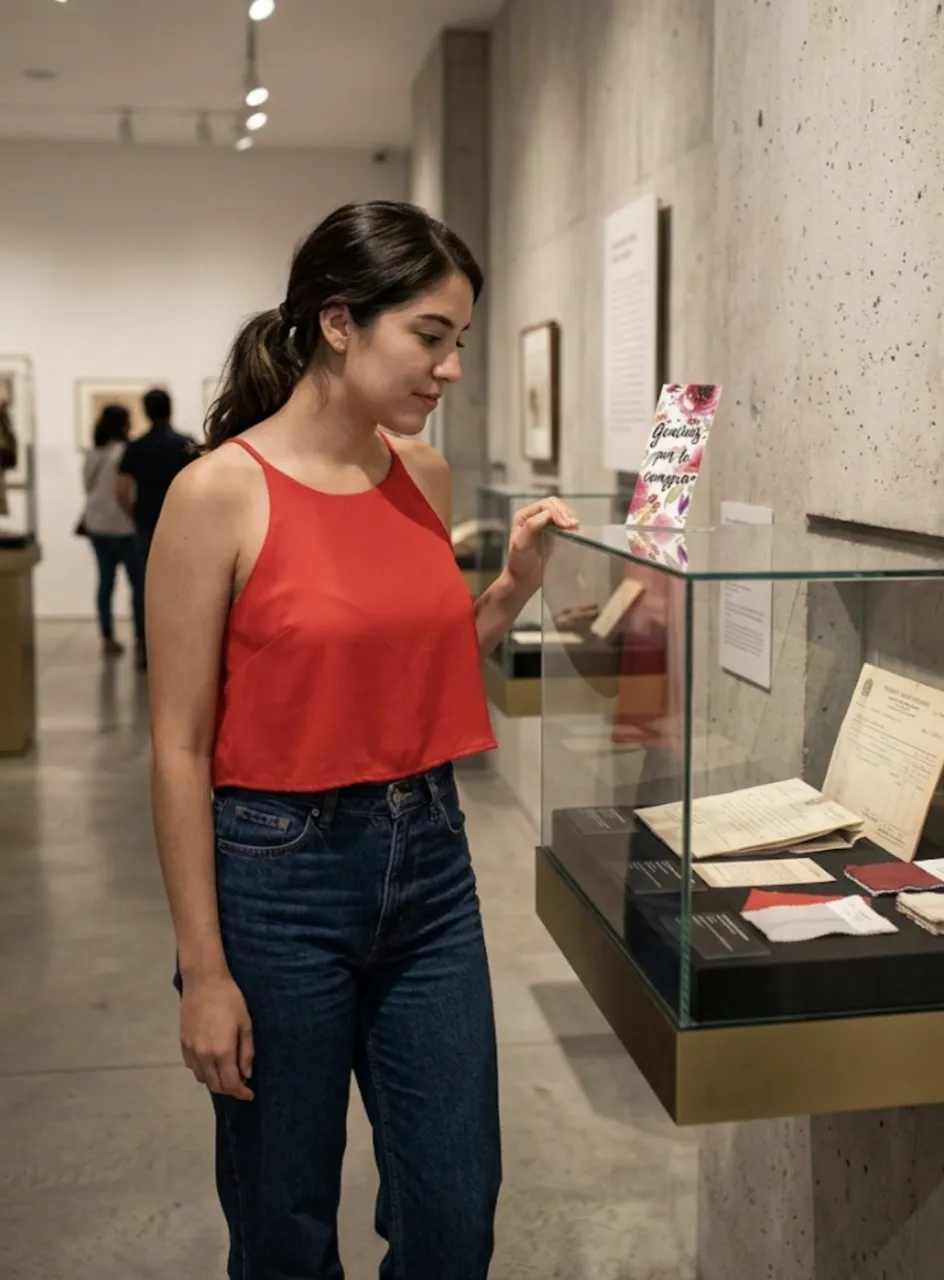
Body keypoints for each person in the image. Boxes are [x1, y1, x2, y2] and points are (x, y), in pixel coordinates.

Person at [145, 199, 578, 1280]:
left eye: (459, 342)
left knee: (452, 1213)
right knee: (283, 1219)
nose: (449, 368)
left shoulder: (417, 479)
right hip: (275, 878)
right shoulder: (218, 494)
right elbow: (178, 746)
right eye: (428, 336)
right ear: (338, 323)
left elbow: (413, 676)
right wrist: (204, 969)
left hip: (428, 859)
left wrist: (513, 590)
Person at [116, 389, 192, 667]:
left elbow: (121, 490)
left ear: (146, 411)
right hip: (182, 526)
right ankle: (179, 647)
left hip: (146, 522)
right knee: (183, 588)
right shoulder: (185, 444)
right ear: (170, 409)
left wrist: (134, 515)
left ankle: (145, 646)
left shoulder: (136, 447)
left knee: (143, 588)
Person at [81, 404, 144, 657]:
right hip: (125, 525)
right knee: (137, 584)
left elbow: (87, 486)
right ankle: (141, 637)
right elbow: (126, 491)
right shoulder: (126, 452)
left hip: (97, 524)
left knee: (105, 583)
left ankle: (107, 637)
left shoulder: (94, 452)